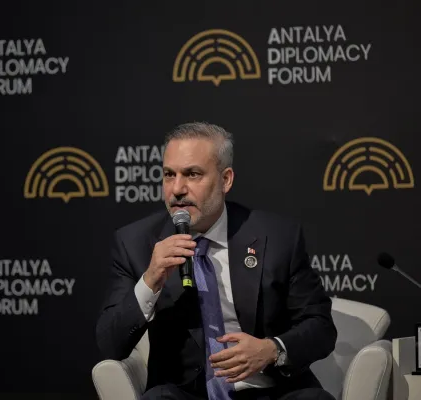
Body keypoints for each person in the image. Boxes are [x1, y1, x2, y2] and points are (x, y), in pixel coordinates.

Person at [95, 122, 337, 400]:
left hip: (272, 391)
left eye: (192, 174)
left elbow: (320, 327)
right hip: (186, 395)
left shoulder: (277, 237)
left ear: (226, 180)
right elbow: (111, 344)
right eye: (169, 174)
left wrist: (272, 349)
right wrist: (150, 281)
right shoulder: (136, 244)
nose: (177, 189)